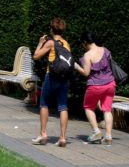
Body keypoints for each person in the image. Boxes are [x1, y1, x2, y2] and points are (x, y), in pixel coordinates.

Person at [32, 17, 71, 147]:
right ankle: (63, 138)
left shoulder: (51, 42)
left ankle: (43, 134)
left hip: (52, 76)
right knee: (63, 106)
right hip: (64, 77)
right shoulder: (66, 43)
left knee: (44, 103)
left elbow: (36, 56)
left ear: (51, 30)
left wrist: (40, 43)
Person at [76, 32, 116, 145]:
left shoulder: (87, 55)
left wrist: (76, 66)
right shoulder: (106, 50)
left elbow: (86, 72)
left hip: (95, 86)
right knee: (107, 110)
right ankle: (108, 136)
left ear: (85, 42)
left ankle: (96, 131)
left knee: (88, 107)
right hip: (110, 84)